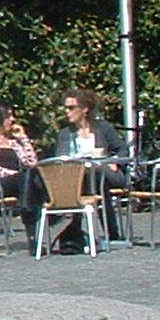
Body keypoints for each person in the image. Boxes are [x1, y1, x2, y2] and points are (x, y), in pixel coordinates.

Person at [52, 87, 129, 248]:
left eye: (71, 108)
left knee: (97, 174)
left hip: (107, 172)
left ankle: (77, 224)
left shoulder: (102, 127)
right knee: (91, 178)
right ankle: (109, 232)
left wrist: (115, 161)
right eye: (65, 108)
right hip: (80, 179)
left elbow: (123, 149)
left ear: (84, 109)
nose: (67, 112)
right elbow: (61, 160)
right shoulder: (65, 134)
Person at [0, 102, 45, 252]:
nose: (12, 120)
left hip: (18, 186)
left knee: (32, 175)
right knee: (26, 179)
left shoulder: (13, 142)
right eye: (9, 117)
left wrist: (23, 139)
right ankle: (37, 211)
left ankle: (31, 230)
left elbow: (32, 163)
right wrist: (15, 175)